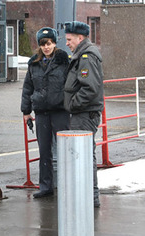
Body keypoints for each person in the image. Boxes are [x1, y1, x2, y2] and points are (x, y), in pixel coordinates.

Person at [21, 27, 70, 198]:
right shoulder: (34, 64)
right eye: (43, 44)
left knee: (65, 150)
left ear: (54, 43)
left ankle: (66, 185)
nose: (46, 47)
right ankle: (45, 186)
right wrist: (26, 111)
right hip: (42, 112)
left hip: (60, 111)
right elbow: (28, 87)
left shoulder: (64, 61)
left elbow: (71, 85)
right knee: (44, 152)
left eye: (48, 43)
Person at [64, 21, 104, 208]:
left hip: (84, 114)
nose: (67, 43)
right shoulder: (83, 54)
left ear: (80, 38)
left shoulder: (86, 56)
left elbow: (89, 88)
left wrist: (73, 104)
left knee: (85, 155)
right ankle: (88, 197)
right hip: (83, 113)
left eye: (69, 39)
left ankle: (89, 198)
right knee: (84, 154)